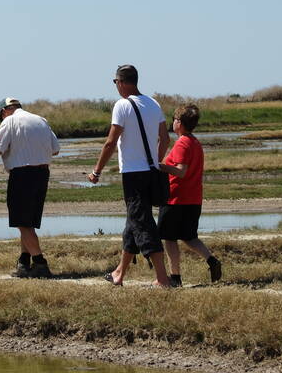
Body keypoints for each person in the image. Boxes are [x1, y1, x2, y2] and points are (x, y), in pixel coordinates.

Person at [87, 65, 171, 287]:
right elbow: (165, 138)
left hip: (133, 174)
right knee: (133, 222)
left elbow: (110, 142)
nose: (116, 87)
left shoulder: (122, 105)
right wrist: (155, 160)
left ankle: (162, 278)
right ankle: (119, 273)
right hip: (152, 172)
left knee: (142, 223)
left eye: (115, 83)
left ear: (122, 82)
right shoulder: (153, 103)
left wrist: (97, 171)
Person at [0, 98, 60, 278]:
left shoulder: (9, 121)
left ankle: (40, 263)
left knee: (22, 222)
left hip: (22, 175)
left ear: (4, 111)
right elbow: (55, 149)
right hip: (42, 173)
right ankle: (24, 262)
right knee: (29, 222)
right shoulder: (41, 120)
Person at [158, 104, 221, 286]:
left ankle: (175, 277)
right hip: (193, 198)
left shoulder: (182, 142)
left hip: (176, 198)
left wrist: (159, 166)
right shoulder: (195, 142)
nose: (173, 123)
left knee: (169, 239)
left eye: (175, 120)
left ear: (180, 122)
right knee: (189, 237)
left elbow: (181, 171)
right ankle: (211, 261)